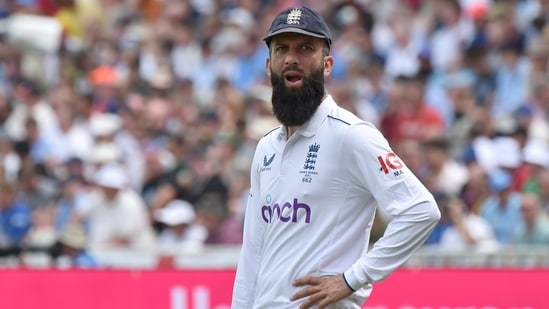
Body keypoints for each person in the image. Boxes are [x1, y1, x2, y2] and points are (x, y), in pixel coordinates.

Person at [231, 6, 441, 309]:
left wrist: (353, 279)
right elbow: (252, 250)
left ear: (327, 64)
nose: (291, 58)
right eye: (282, 49)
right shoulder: (266, 148)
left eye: (305, 48)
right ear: (269, 64)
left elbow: (421, 210)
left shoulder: (351, 135)